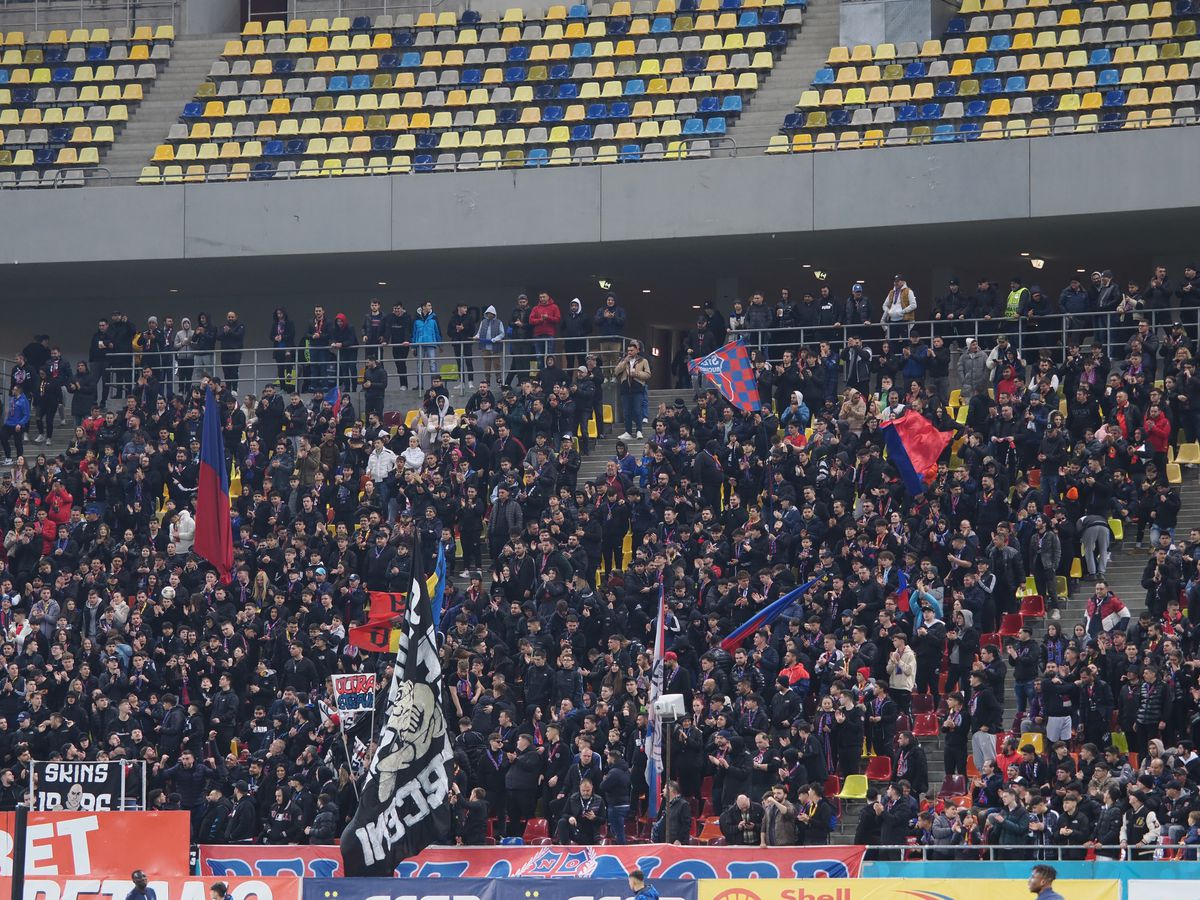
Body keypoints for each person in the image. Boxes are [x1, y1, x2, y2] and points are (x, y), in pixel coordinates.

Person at [614, 340, 651, 441]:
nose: (629, 352)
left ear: (637, 350)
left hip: (637, 388)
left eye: (631, 350)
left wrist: (637, 374)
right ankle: (628, 432)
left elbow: (648, 374)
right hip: (625, 389)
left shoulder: (643, 361)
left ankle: (639, 430)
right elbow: (616, 371)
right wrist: (625, 361)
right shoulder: (623, 360)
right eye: (628, 350)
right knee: (626, 412)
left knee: (637, 410)